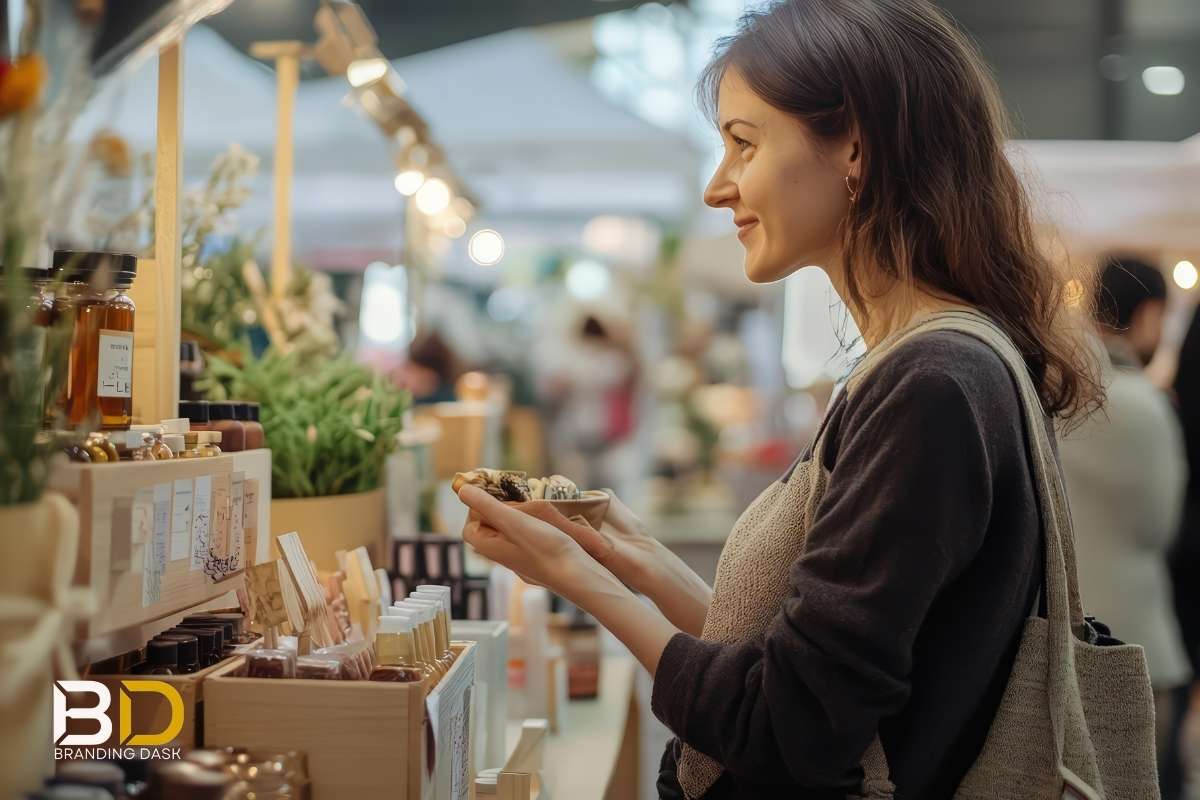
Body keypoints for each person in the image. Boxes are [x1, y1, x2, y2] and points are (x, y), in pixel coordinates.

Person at [459, 2, 1116, 798]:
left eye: (744, 142)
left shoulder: (932, 384)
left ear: (854, 149)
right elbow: (804, 662)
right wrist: (624, 554)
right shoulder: (914, 367)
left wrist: (577, 578)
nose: (716, 186)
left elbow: (788, 726)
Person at [1059, 256, 1191, 781]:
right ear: (1150, 313)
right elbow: (1163, 526)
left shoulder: (1058, 395)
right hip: (1140, 640)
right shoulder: (1146, 405)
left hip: (1068, 636)